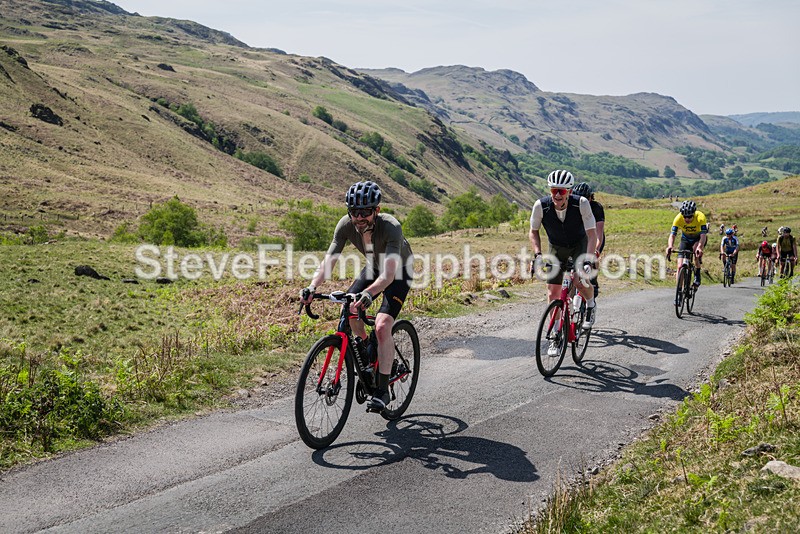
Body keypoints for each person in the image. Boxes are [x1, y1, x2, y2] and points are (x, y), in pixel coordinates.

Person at [299, 181, 413, 412]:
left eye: (365, 212)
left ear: (376, 211)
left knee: (381, 326)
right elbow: (329, 261)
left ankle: (382, 390)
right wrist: (312, 286)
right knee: (349, 307)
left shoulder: (391, 227)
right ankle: (367, 353)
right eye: (354, 212)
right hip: (373, 267)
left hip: (399, 271)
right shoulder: (345, 225)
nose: (359, 218)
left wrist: (369, 294)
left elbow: (389, 275)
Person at [529, 170, 598, 353]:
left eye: (562, 191)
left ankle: (590, 303)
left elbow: (592, 235)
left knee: (579, 280)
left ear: (569, 191)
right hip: (556, 247)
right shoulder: (540, 206)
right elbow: (533, 231)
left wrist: (588, 260)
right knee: (553, 292)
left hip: (579, 245)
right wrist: (537, 255)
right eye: (554, 191)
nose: (557, 195)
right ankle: (556, 336)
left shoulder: (581, 204)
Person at [665, 200, 708, 288]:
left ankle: (697, 274)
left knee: (696, 250)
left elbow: (703, 235)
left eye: (689, 216)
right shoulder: (678, 218)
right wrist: (670, 246)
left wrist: (700, 247)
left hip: (698, 239)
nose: (687, 219)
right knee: (680, 266)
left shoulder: (700, 217)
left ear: (694, 214)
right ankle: (679, 292)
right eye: (685, 217)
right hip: (685, 239)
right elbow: (672, 235)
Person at [573, 182, 605, 297]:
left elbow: (599, 232)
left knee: (593, 256)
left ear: (591, 197)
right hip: (580, 234)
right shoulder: (573, 205)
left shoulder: (596, 208)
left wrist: (596, 249)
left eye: (585, 198)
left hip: (595, 234)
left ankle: (593, 281)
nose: (582, 200)